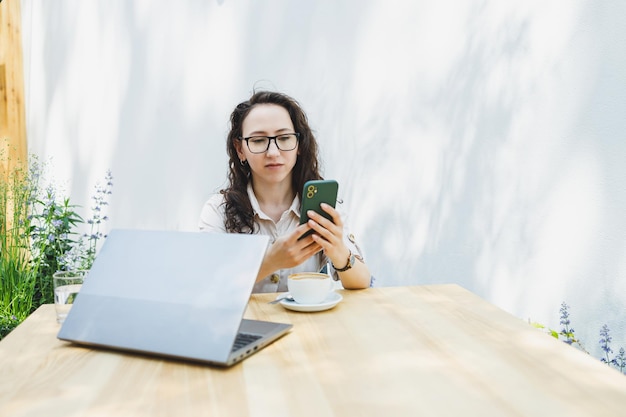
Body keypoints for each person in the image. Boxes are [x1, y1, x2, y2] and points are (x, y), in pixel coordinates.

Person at [199, 91, 371, 293]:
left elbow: (362, 283)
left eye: (284, 138)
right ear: (240, 149)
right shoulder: (218, 210)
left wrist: (339, 252)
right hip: (244, 324)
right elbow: (208, 289)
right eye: (258, 141)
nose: (273, 152)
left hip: (307, 324)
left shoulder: (322, 206)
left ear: (298, 144)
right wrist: (270, 261)